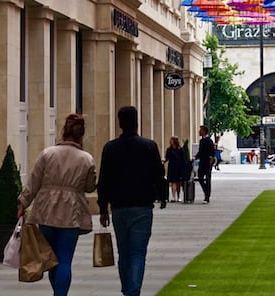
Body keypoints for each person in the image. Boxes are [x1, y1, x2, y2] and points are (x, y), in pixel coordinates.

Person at [18, 114, 97, 296]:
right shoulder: (86, 158)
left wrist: (23, 203)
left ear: (64, 131)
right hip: (72, 212)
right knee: (64, 259)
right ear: (81, 135)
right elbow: (89, 186)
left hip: (46, 211)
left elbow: (33, 181)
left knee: (50, 258)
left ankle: (57, 293)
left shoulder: (47, 153)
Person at [98, 106, 167, 296]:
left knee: (124, 252)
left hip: (119, 206)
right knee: (138, 252)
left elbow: (104, 180)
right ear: (137, 122)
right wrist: (162, 196)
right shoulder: (149, 146)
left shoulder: (110, 148)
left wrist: (103, 208)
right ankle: (132, 290)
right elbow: (158, 175)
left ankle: (128, 288)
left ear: (120, 123)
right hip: (142, 205)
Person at [164, 137, 190, 203]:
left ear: (174, 141)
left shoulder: (180, 149)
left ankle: (178, 196)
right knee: (173, 182)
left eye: (171, 140)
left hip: (179, 168)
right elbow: (167, 158)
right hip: (172, 167)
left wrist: (184, 168)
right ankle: (173, 197)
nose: (170, 141)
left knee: (178, 183)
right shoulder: (169, 149)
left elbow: (183, 160)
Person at [195, 126, 215, 203]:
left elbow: (212, 152)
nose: (199, 132)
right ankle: (206, 192)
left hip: (207, 162)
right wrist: (195, 157)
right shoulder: (201, 141)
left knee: (207, 179)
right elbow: (200, 152)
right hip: (202, 162)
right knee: (200, 178)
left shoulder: (209, 141)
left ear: (204, 131)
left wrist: (211, 159)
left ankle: (207, 196)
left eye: (200, 130)